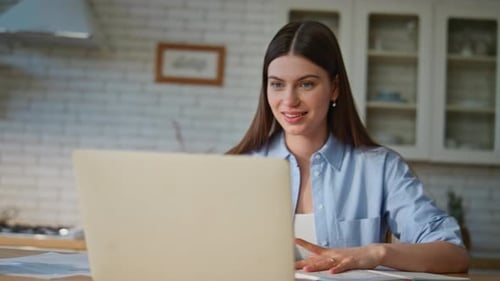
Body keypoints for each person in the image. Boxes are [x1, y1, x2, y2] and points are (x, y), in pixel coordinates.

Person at [227, 21, 469, 274]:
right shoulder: (241, 166)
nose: (289, 100)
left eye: (306, 84)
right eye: (277, 84)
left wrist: (375, 252)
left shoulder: (381, 168)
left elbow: (453, 254)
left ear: (334, 88)